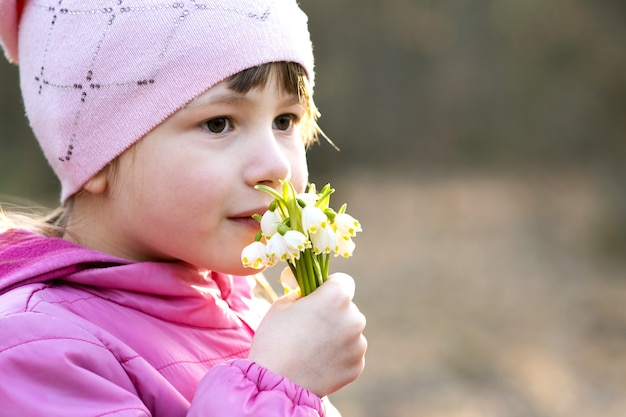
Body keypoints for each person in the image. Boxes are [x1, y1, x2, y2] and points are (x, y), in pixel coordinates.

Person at [0, 1, 367, 416]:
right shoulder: (36, 351)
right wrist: (276, 386)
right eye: (219, 123)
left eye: (285, 121)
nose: (277, 166)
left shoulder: (247, 311)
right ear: (96, 157)